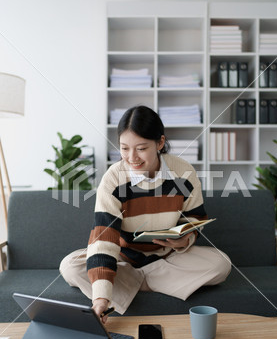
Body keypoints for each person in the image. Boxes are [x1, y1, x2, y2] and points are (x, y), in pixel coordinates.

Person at [60, 106, 231, 323]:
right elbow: (104, 238)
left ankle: (130, 285)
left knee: (221, 264)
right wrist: (101, 299)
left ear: (160, 143)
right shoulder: (113, 179)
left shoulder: (184, 172)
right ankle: (138, 282)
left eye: (141, 148)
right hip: (124, 259)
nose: (132, 157)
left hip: (168, 257)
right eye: (124, 148)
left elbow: (195, 217)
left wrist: (184, 240)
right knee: (70, 266)